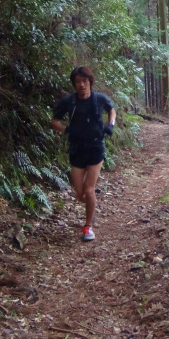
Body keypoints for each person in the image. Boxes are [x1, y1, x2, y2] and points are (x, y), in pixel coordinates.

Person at [51, 67, 116, 241]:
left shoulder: (99, 99)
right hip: (77, 149)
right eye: (78, 81)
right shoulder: (69, 102)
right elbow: (54, 120)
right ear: (74, 84)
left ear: (90, 82)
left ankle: (88, 227)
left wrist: (111, 125)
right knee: (80, 195)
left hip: (96, 147)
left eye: (85, 81)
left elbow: (112, 109)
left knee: (89, 189)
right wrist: (67, 130)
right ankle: (89, 205)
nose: (81, 85)